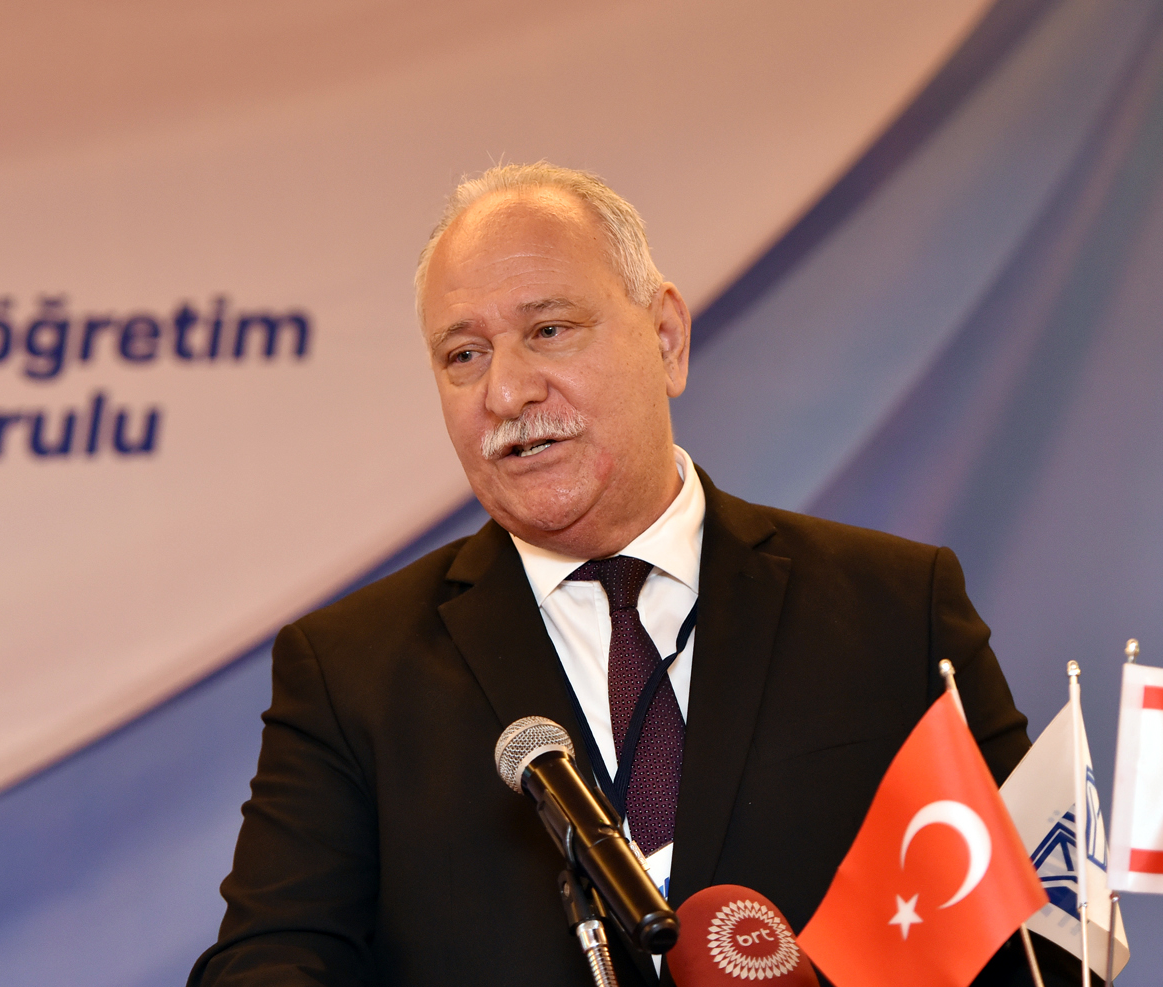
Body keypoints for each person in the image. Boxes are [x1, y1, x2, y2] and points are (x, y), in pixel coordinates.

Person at [190, 163, 1074, 986]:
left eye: (549, 330)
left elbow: (1042, 940)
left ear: (666, 337)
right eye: (464, 355)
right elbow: (269, 963)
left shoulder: (895, 608)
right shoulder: (349, 671)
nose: (507, 392)